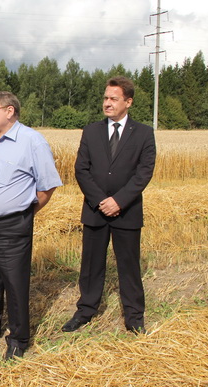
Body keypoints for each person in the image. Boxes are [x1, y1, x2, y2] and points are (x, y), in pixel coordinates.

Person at [0, 91, 62, 360]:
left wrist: (22, 214)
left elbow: (48, 185)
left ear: (9, 111)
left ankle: (18, 338)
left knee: (15, 283)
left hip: (11, 225)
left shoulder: (32, 141)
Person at [62, 76, 156, 335]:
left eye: (114, 99)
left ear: (128, 102)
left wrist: (119, 201)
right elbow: (81, 169)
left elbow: (144, 172)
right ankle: (85, 311)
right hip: (95, 210)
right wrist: (101, 201)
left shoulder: (144, 133)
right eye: (105, 98)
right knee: (91, 265)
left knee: (129, 265)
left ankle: (134, 316)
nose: (107, 103)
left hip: (127, 211)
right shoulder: (90, 131)